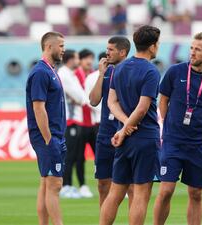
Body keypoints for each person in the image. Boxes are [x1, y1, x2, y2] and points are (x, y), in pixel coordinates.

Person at [153, 32, 202, 225]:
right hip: (173, 142)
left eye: (198, 49)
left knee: (195, 193)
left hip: (198, 144)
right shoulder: (174, 72)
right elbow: (163, 102)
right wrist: (170, 124)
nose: (192, 53)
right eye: (191, 48)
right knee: (166, 190)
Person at [99, 25, 161, 225]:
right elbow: (142, 109)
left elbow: (111, 102)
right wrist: (127, 128)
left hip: (123, 137)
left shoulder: (120, 68)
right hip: (144, 136)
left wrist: (124, 127)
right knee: (141, 194)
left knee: (116, 192)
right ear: (152, 47)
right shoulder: (151, 71)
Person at [85, 36, 132, 207]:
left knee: (131, 186)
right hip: (105, 133)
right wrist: (101, 74)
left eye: (111, 49)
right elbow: (93, 100)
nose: (107, 53)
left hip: (126, 133)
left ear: (122, 52)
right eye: (107, 49)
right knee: (103, 184)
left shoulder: (131, 71)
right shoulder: (107, 73)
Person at [26, 31, 66, 225]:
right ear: (49, 47)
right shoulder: (41, 72)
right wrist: (49, 138)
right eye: (61, 46)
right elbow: (38, 107)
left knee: (46, 183)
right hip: (48, 136)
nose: (63, 50)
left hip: (55, 135)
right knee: (55, 184)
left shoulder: (50, 70)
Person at [57, 49, 87, 199]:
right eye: (76, 58)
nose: (78, 61)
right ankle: (66, 186)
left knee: (74, 155)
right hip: (70, 120)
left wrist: (80, 98)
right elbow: (80, 97)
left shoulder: (70, 74)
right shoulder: (64, 74)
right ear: (70, 60)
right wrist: (80, 98)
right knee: (69, 156)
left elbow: (81, 96)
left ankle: (68, 185)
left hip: (75, 119)